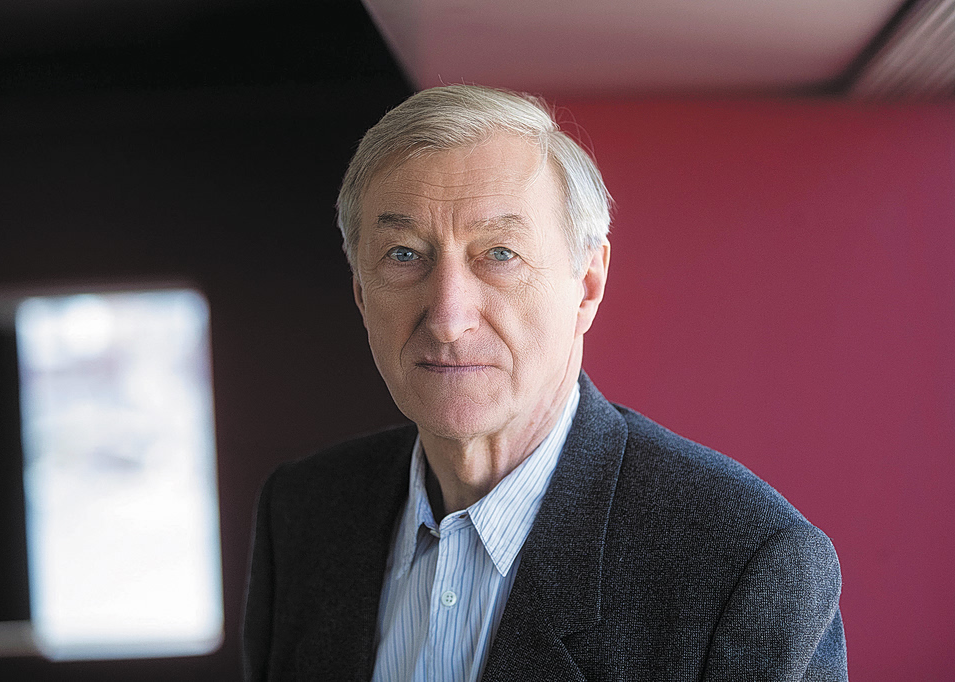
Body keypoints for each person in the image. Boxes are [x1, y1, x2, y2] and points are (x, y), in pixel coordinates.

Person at [243, 85, 847, 681]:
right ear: (360, 294)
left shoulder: (746, 566)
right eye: (403, 254)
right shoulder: (302, 514)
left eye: (499, 253)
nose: (448, 319)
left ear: (587, 285)